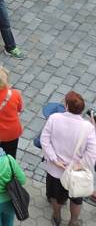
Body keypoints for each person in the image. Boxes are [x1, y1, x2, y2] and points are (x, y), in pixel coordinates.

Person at [40, 90, 96, 226]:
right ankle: (74, 221)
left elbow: (44, 140)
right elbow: (92, 154)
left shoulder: (54, 118)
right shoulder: (88, 127)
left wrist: (55, 159)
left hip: (56, 170)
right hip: (77, 174)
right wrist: (78, 165)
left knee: (55, 197)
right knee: (77, 198)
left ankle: (57, 216)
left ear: (66, 106)